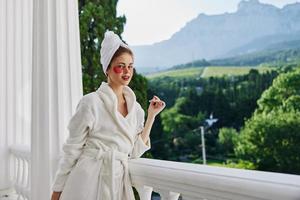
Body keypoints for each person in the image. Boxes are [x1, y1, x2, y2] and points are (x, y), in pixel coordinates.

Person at [51, 30, 165, 200]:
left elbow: (134, 152)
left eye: (130, 66)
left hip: (117, 183)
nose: (127, 71)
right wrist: (57, 191)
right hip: (85, 182)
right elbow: (72, 150)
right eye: (120, 66)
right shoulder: (90, 103)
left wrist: (151, 116)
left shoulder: (137, 110)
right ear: (107, 69)